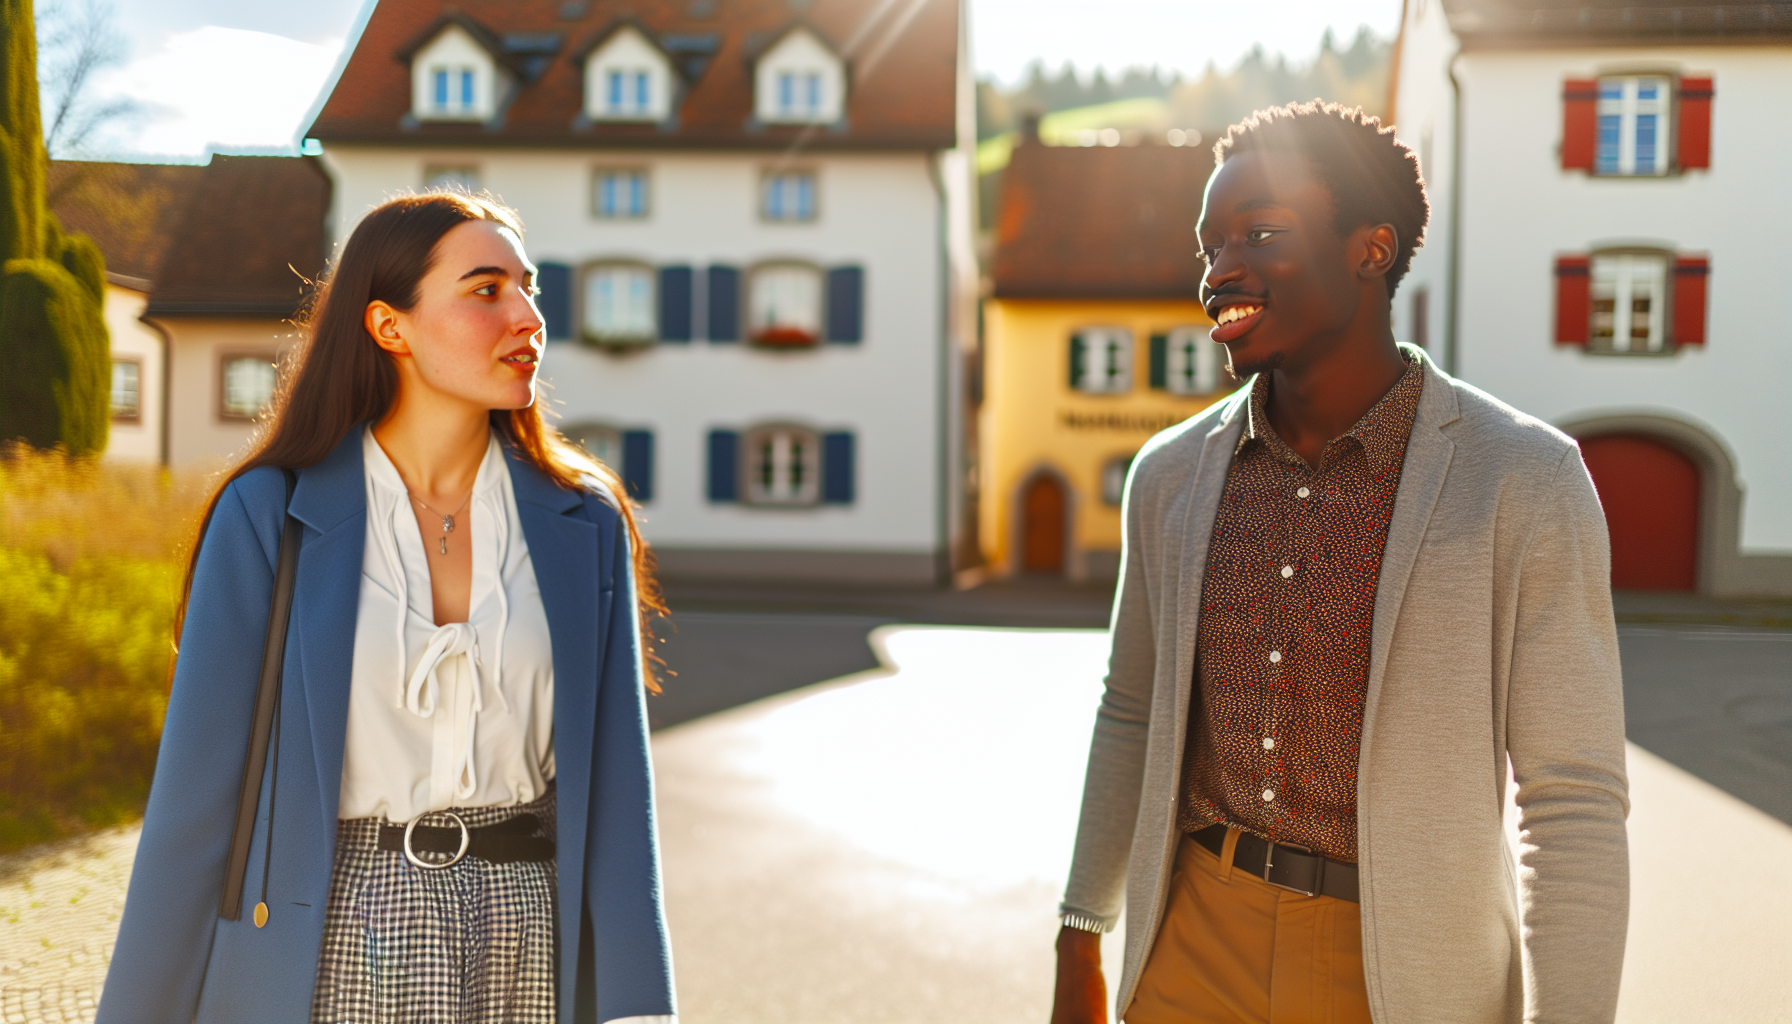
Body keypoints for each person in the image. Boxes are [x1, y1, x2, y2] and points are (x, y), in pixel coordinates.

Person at [1049, 101, 1630, 1024]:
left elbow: (1573, 802)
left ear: (1370, 249)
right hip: (1194, 945)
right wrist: (1082, 929)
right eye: (1209, 246)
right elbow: (1129, 709)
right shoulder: (1168, 478)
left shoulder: (1524, 478)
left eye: (1260, 234)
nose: (1220, 270)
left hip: (1410, 969)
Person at [98, 192, 677, 1024]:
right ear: (388, 326)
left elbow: (622, 792)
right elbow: (196, 802)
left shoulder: (584, 522)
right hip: (325, 936)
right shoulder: (271, 513)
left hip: (529, 940)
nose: (527, 316)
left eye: (530, 286)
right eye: (486, 290)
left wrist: (639, 1009)